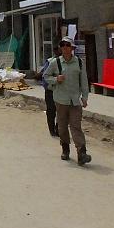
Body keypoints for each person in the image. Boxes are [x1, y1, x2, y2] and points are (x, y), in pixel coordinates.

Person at [43, 36, 92, 165]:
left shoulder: (79, 62)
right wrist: (56, 79)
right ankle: (65, 148)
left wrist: (85, 97)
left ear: (72, 48)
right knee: (63, 127)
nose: (65, 47)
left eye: (67, 45)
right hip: (61, 100)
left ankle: (82, 153)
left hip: (75, 100)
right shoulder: (55, 63)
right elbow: (45, 76)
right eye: (62, 45)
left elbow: (84, 81)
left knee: (76, 126)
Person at [38, 43, 64, 137]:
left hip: (62, 90)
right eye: (60, 49)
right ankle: (52, 129)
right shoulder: (50, 61)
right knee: (51, 110)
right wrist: (49, 86)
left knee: (62, 111)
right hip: (51, 90)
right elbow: (44, 77)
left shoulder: (67, 61)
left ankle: (59, 129)